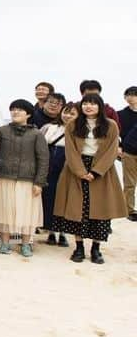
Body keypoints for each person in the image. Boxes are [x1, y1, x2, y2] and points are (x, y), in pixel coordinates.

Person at [54, 93, 127, 264]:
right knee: (76, 210)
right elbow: (70, 151)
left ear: (100, 106)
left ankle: (96, 249)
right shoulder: (73, 125)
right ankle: (79, 248)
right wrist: (80, 171)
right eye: (86, 103)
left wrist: (95, 172)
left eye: (93, 104)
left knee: (100, 211)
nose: (89, 106)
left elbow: (111, 151)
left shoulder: (111, 125)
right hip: (76, 168)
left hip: (102, 171)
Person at [0, 99, 49, 257]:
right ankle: (5, 242)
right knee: (5, 210)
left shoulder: (37, 134)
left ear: (28, 113)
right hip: (4, 177)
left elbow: (43, 159)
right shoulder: (2, 131)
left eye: (19, 110)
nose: (15, 112)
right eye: (13, 109)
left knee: (27, 212)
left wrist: (39, 182)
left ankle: (26, 244)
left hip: (28, 179)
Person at [40, 97, 74, 246]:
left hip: (68, 166)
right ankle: (51, 232)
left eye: (72, 114)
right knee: (49, 197)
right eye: (66, 112)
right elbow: (40, 147)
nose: (67, 116)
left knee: (65, 198)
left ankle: (63, 232)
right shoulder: (49, 127)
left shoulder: (79, 131)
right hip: (50, 165)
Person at [120, 86, 137, 221]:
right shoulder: (120, 114)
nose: (131, 97)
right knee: (129, 183)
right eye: (128, 95)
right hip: (129, 152)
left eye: (134, 95)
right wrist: (118, 147)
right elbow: (114, 134)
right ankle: (129, 210)